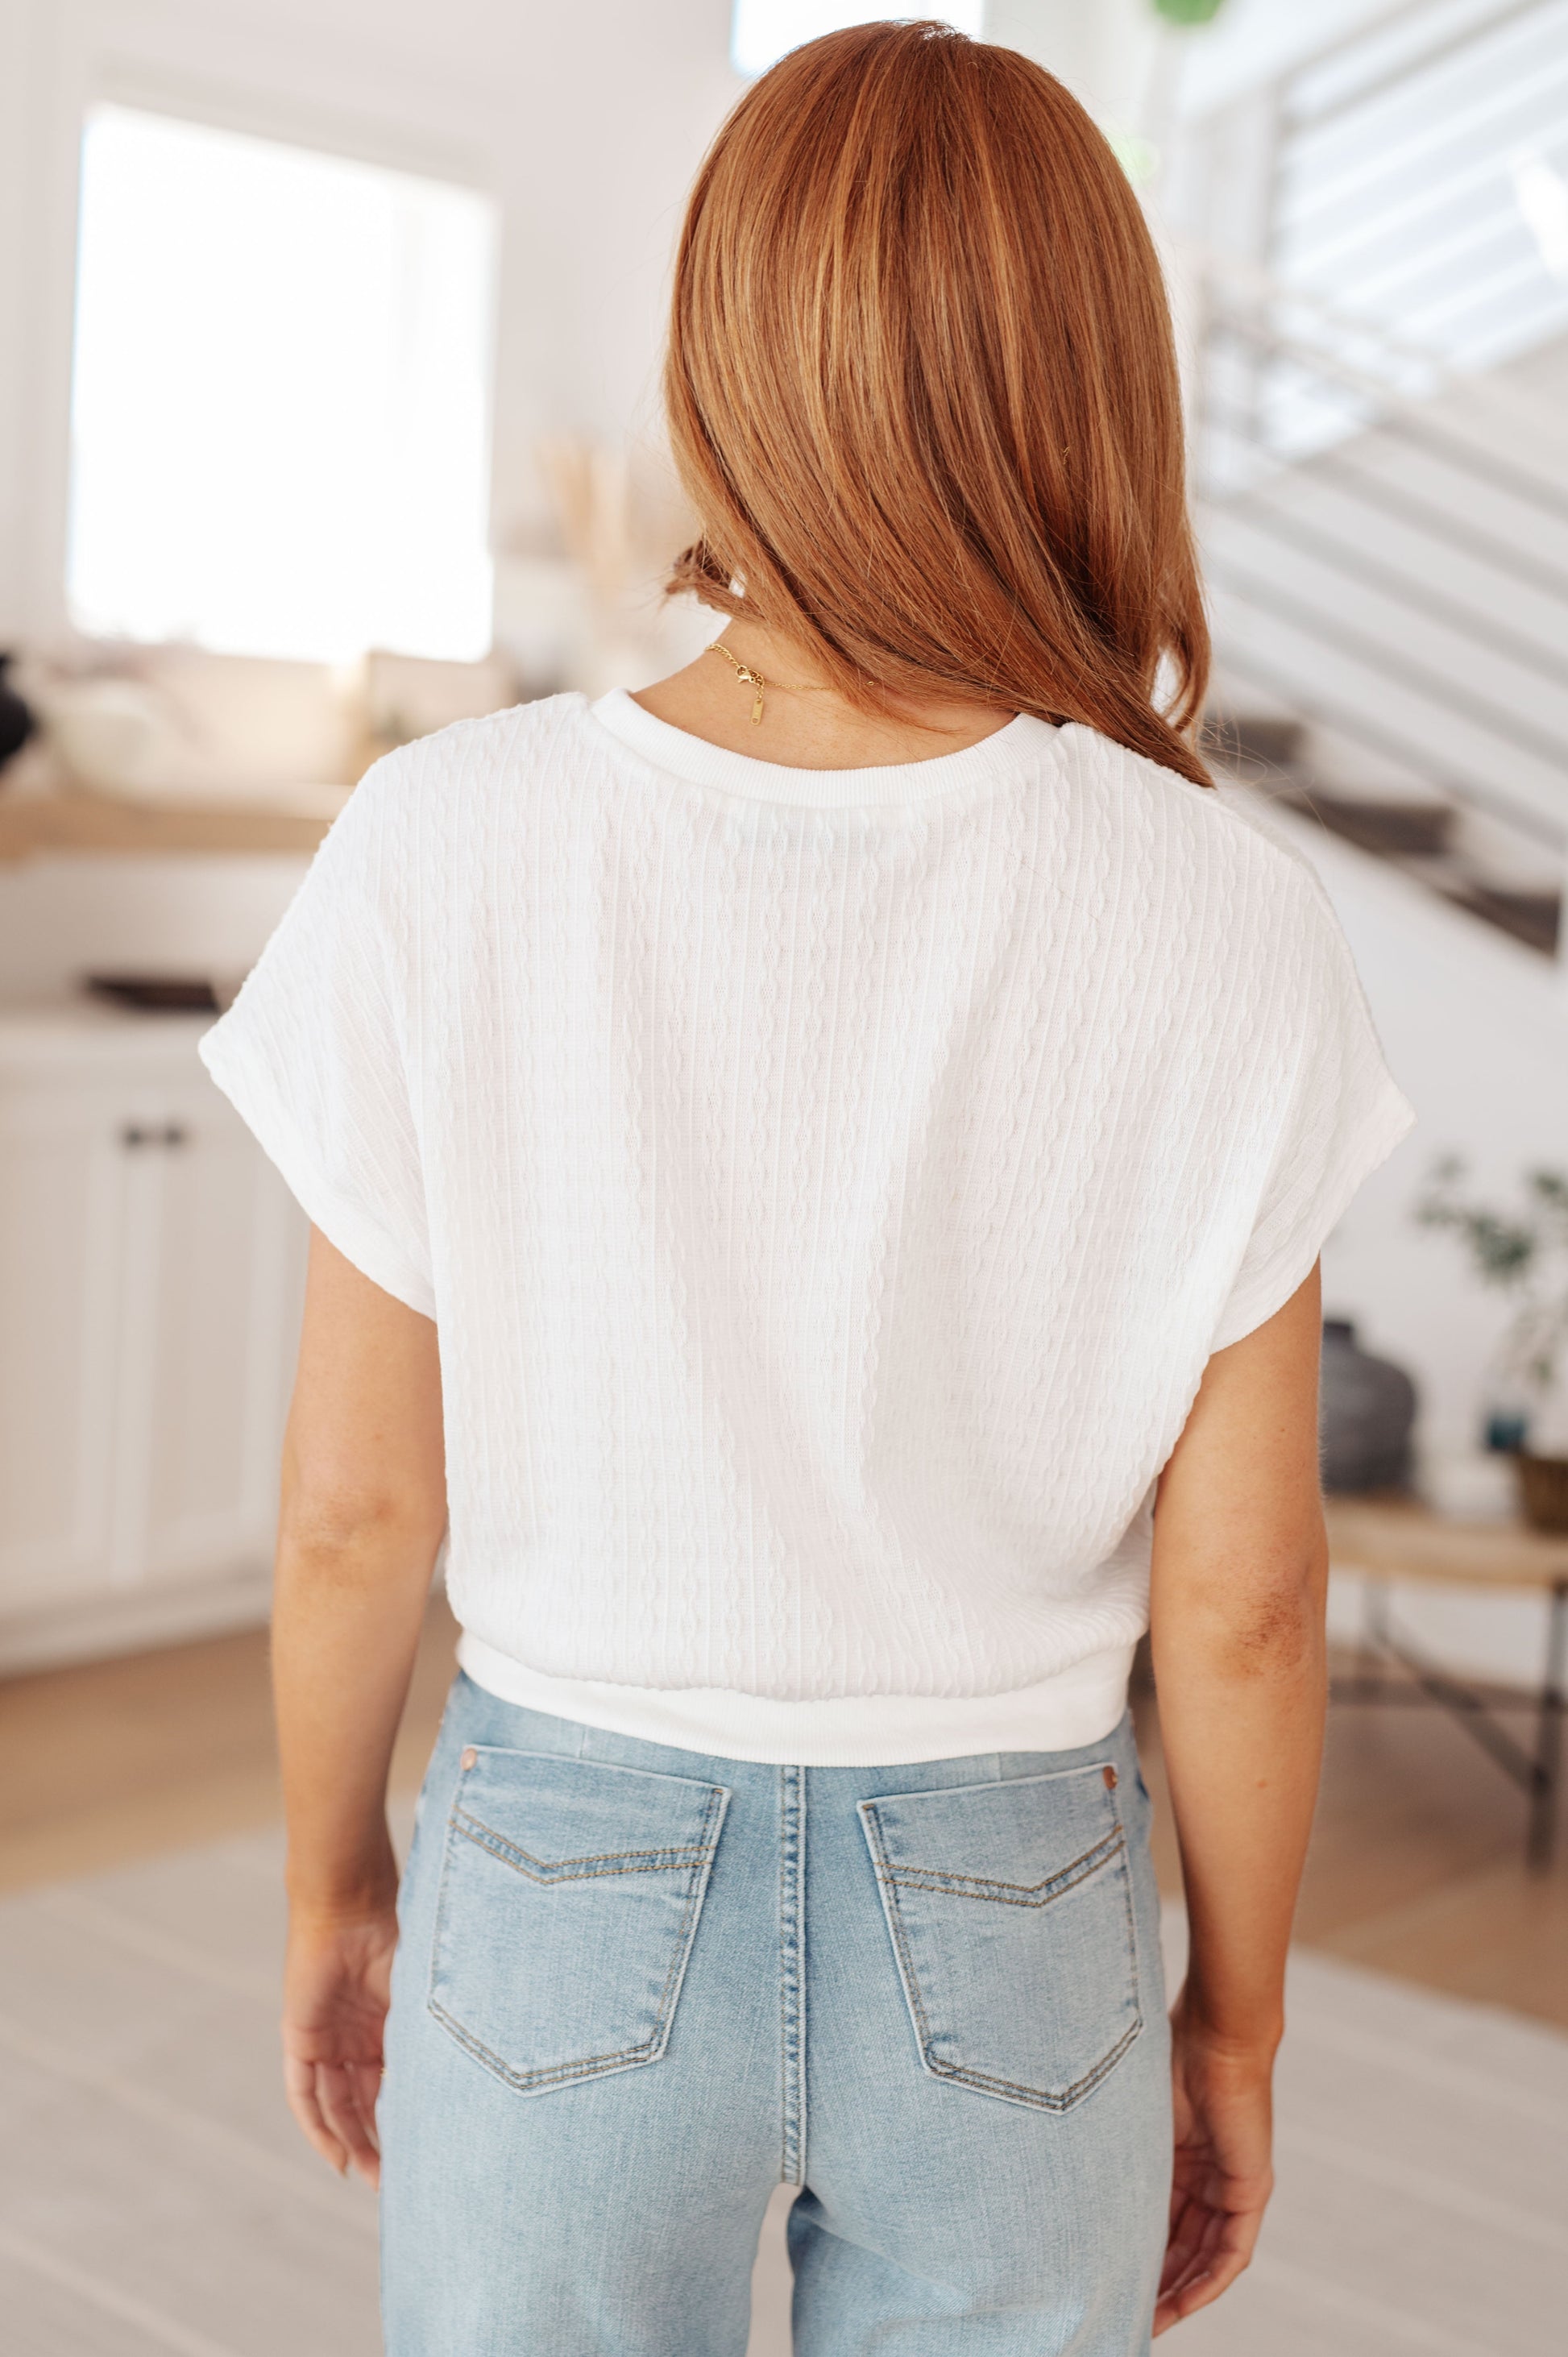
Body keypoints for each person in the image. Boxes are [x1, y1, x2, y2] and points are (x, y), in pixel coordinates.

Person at [198, 21, 1416, 2355]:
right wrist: (1229, 2021)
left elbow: (358, 1513)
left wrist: (332, 1866)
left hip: (555, 1865)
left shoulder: (448, 844)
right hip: (1021, 1899)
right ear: (1091, 392)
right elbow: (1247, 1602)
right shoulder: (1222, 911)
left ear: (719, 361)